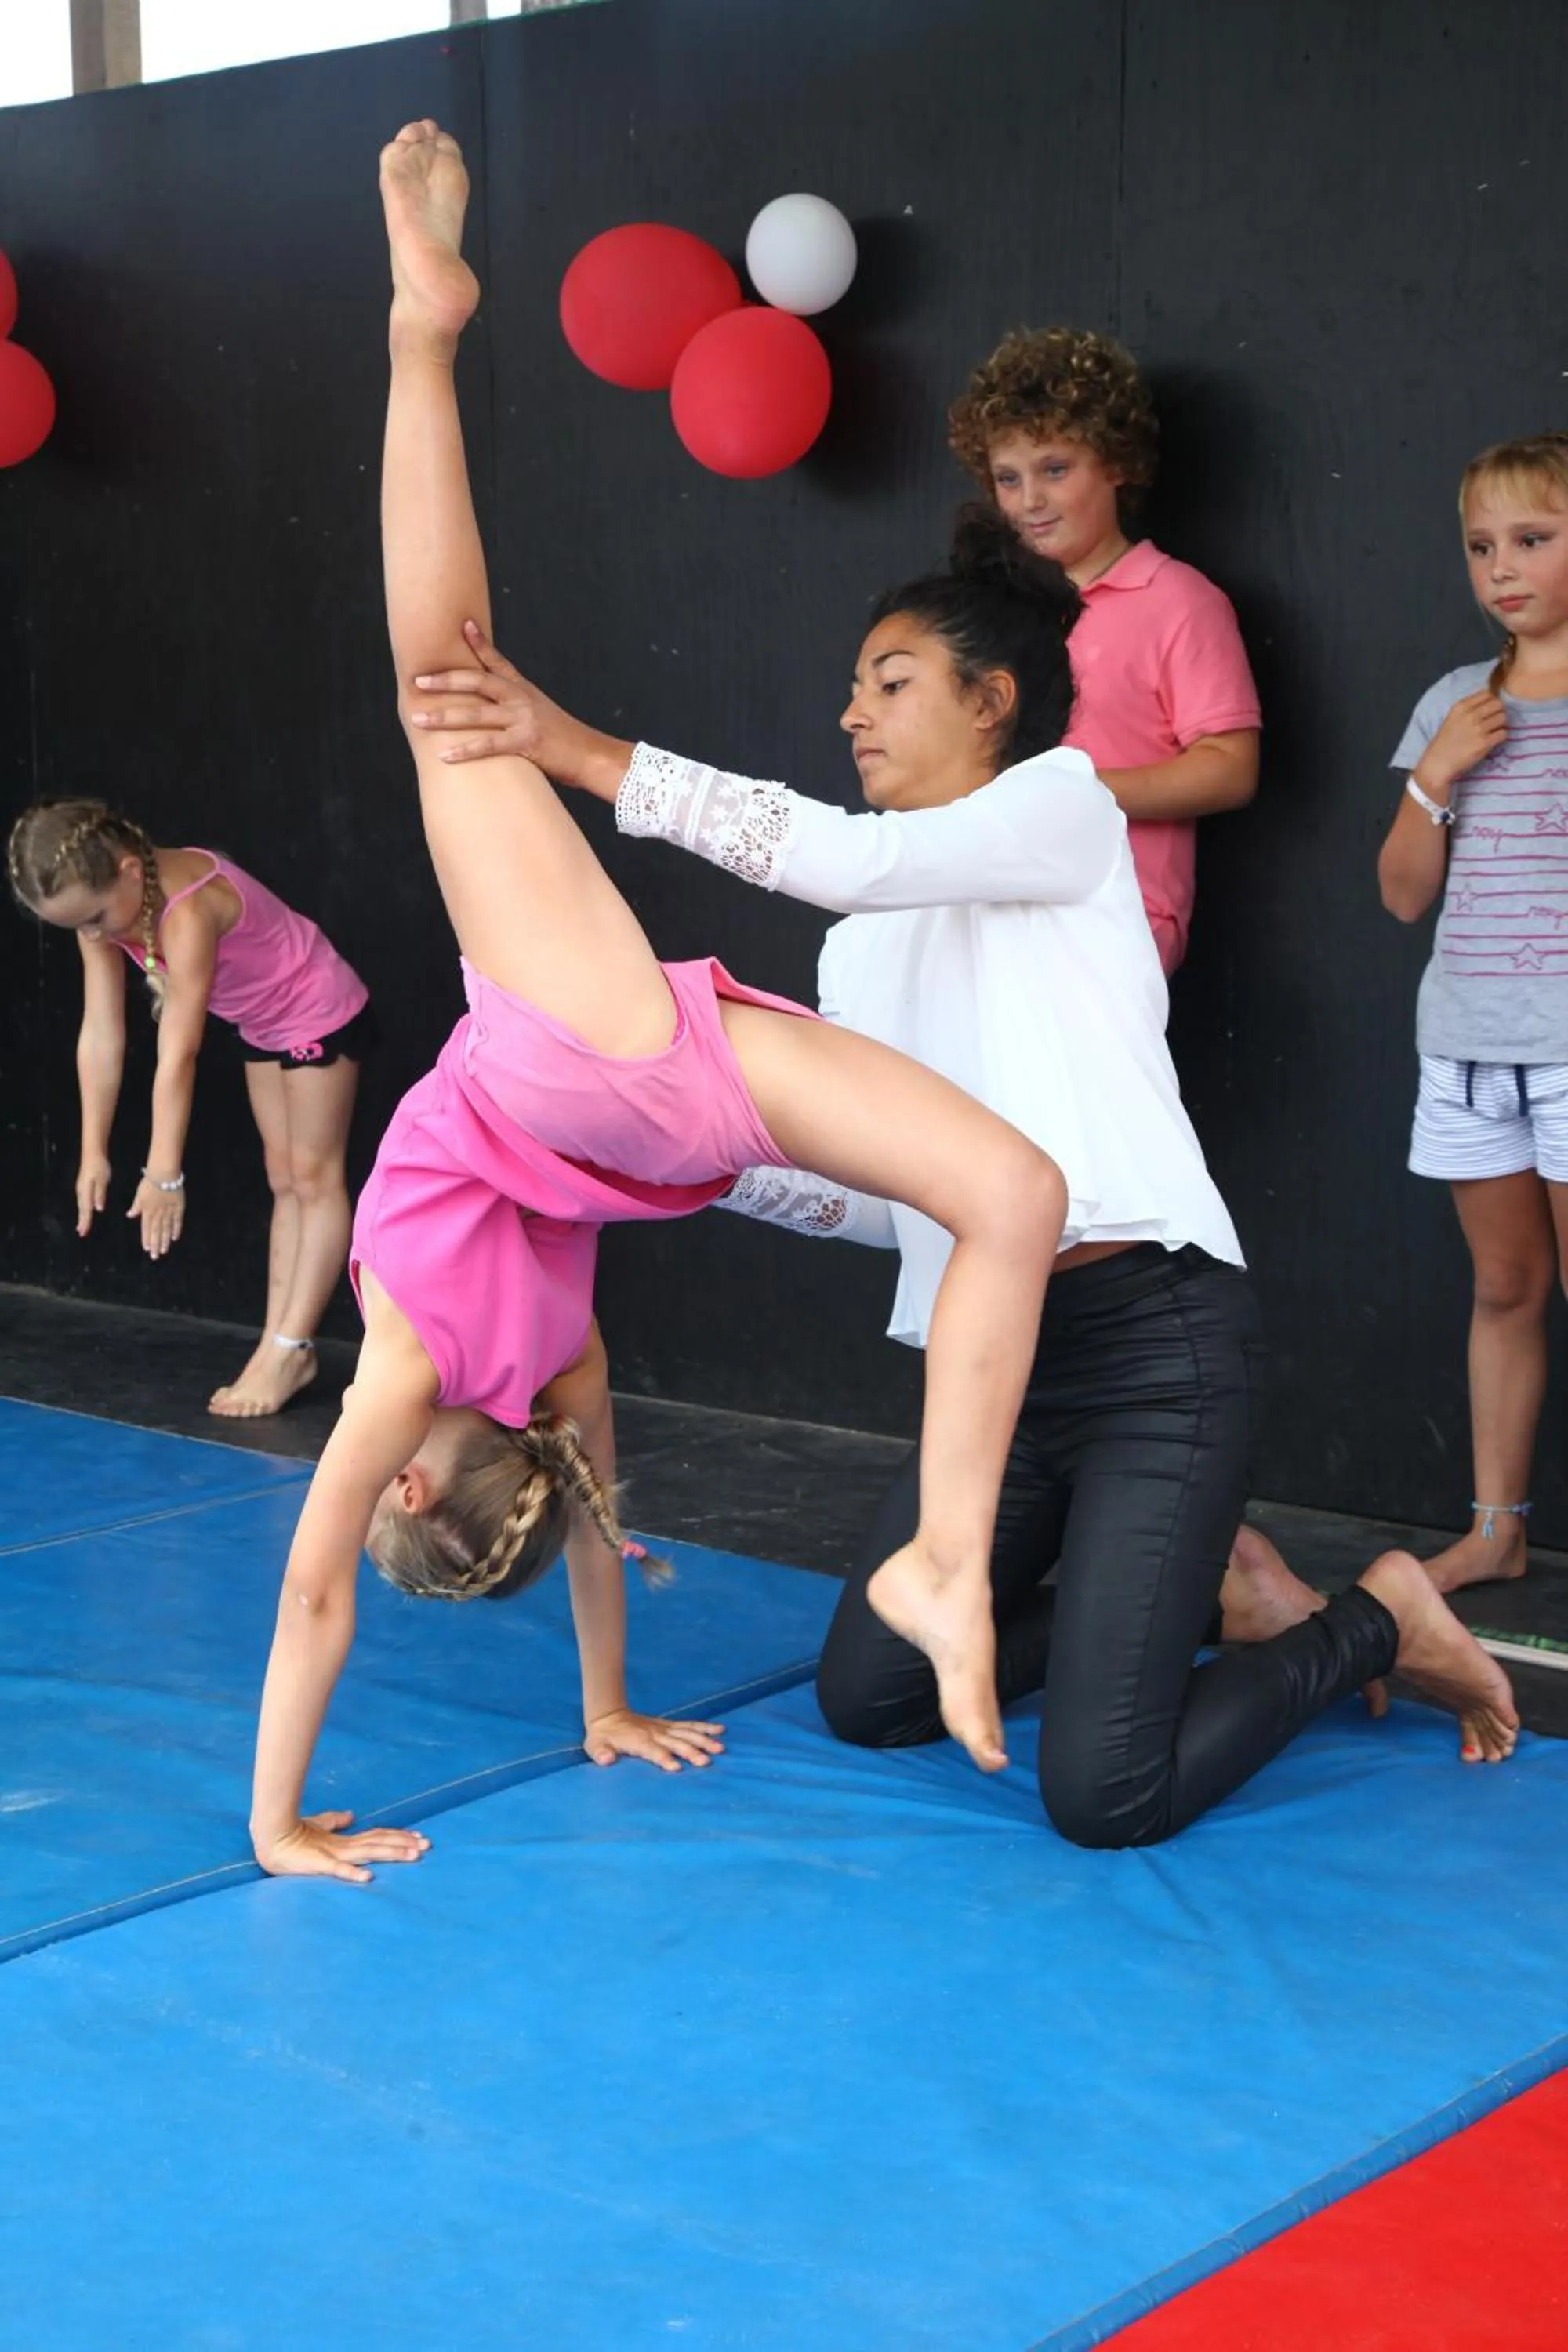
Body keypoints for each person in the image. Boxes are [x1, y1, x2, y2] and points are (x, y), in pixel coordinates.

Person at [415, 524, 1519, 1848]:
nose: (851, 712)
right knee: (868, 1697)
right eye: (857, 687)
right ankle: (1206, 1600)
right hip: (998, 1378)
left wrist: (577, 751)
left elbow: (843, 853)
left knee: (1108, 1793)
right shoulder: (864, 945)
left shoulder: (1065, 804)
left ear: (993, 702)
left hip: (1152, 1346)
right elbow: (882, 1201)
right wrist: (683, 1163)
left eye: (890, 682)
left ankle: (1376, 1617)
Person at [248, 122, 1068, 1884]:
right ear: (412, 1480)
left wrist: (606, 1710)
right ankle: (422, 333)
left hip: (669, 1128)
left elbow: (601, 1528)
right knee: (444, 683)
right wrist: (272, 1822)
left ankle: (946, 1543)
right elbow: (317, 1590)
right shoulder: (415, 1371)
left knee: (1012, 1198)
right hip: (571, 1065)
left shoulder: (561, 1389)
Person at [8, 800, 373, 1417]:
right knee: (284, 1180)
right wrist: (93, 1149)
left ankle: (289, 1347)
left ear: (128, 872)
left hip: (318, 1009)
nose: (94, 935)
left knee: (314, 1179)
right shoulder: (105, 913)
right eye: (78, 926)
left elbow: (179, 1051)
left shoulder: (189, 911)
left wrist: (164, 1173)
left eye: (96, 918)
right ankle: (281, 1345)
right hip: (261, 1023)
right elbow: (102, 1032)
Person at [1379, 430, 1568, 1596]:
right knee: (1504, 1290)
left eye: (1534, 540)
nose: (1502, 567)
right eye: (1481, 546)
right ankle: (1497, 1531)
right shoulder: (1455, 703)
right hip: (1464, 1054)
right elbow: (1402, 897)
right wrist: (1432, 778)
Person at [947, 326, 1260, 975]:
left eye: (1055, 470)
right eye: (1008, 478)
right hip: (992, 898)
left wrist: (1076, 794)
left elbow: (1231, 768)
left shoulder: (1178, 599)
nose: (1029, 500)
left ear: (1116, 463)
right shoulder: (995, 609)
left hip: (1116, 916)